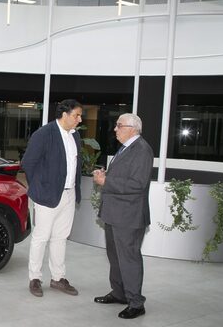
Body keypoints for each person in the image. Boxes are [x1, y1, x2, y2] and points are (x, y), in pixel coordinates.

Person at [92, 113, 153, 319]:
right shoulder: (126, 148)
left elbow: (138, 184)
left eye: (119, 125)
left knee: (129, 259)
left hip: (129, 216)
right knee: (115, 257)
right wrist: (106, 176)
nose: (115, 129)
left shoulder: (142, 150)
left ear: (132, 128)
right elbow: (124, 177)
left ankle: (136, 303)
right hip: (115, 213)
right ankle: (119, 293)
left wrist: (105, 183)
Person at [21, 99, 83, 298]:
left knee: (60, 238)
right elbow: (28, 163)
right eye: (76, 115)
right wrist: (40, 188)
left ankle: (58, 278)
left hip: (69, 193)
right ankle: (35, 278)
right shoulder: (44, 134)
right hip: (46, 195)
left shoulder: (76, 136)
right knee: (41, 237)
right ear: (64, 115)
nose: (79, 120)